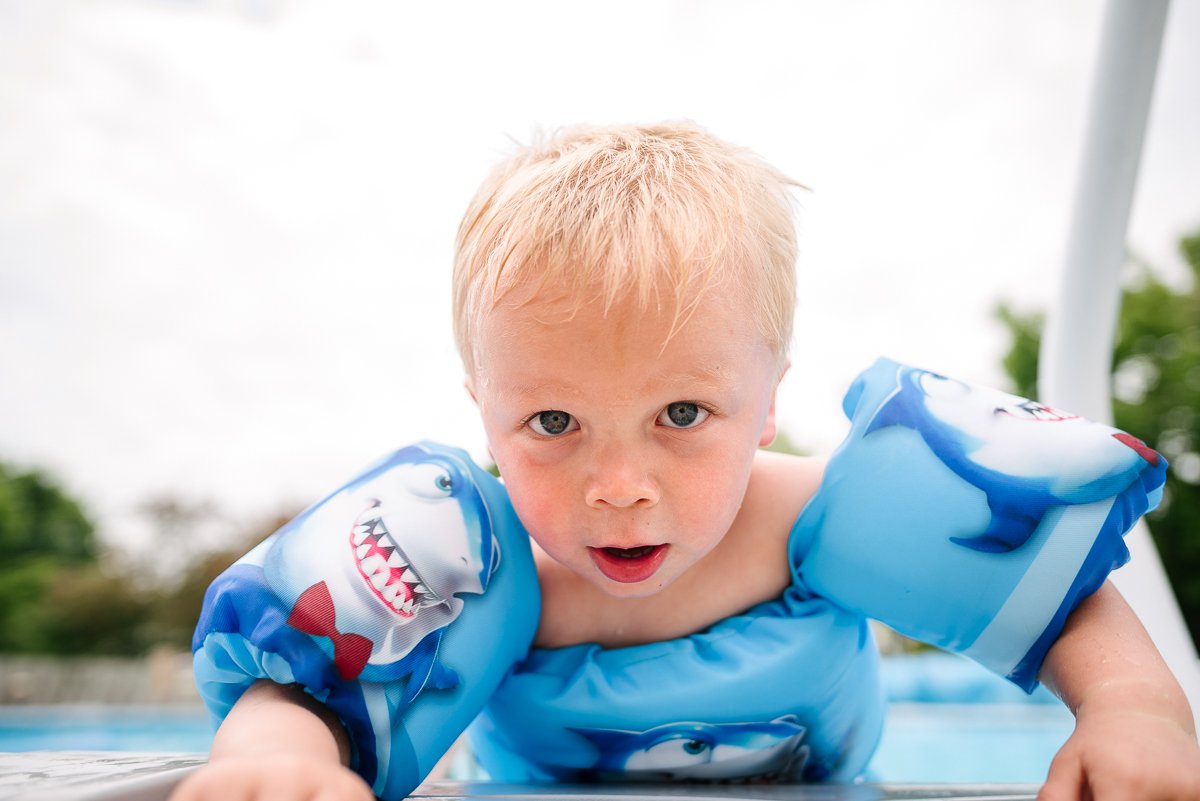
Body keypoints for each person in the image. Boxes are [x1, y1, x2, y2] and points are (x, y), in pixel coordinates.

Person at [173, 122, 1200, 801]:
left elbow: (1057, 601)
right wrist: (279, 755)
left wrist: (1133, 713)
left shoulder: (810, 521)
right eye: (553, 423)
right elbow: (312, 686)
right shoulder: (467, 567)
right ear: (484, 417)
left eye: (680, 411)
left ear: (767, 402)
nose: (620, 484)